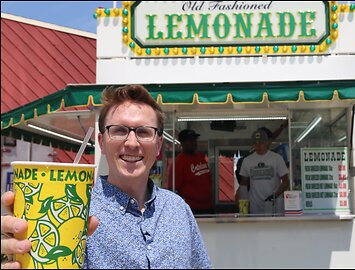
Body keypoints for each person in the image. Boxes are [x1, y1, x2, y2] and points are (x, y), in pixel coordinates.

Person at [1, 85, 212, 269]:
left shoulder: (178, 209)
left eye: (144, 132)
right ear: (102, 142)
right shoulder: (74, 208)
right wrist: (19, 253)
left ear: (158, 145)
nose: (131, 142)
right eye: (119, 130)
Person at [239, 128, 290, 215]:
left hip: (274, 208)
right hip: (254, 208)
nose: (258, 145)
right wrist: (243, 205)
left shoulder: (276, 158)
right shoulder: (247, 161)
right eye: (255, 143)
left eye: (261, 143)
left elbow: (286, 182)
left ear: (267, 142)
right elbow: (243, 184)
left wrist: (274, 196)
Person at [167, 129, 213, 214]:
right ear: (182, 143)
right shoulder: (178, 162)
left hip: (208, 206)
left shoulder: (200, 157)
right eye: (190, 141)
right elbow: (172, 189)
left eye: (195, 140)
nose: (194, 143)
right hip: (192, 209)